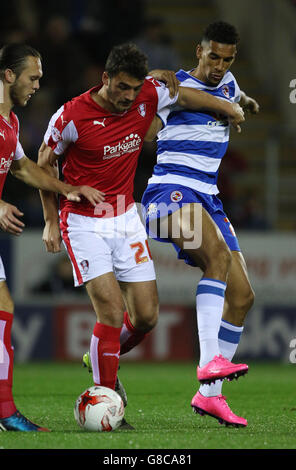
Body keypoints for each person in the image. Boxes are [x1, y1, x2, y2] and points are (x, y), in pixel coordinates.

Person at [37, 42, 244, 428]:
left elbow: (184, 93)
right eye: (121, 89)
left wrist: (228, 106)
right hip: (83, 222)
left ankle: (100, 355)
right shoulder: (71, 116)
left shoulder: (148, 93)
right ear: (106, 79)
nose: (128, 98)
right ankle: (106, 396)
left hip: (126, 217)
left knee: (146, 317)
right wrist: (51, 217)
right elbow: (44, 162)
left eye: (134, 90)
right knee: (112, 312)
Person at [141, 21, 259, 427]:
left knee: (243, 297)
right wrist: (154, 76)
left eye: (226, 59)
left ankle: (210, 397)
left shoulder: (228, 82)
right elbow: (151, 89)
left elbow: (234, 93)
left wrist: (246, 102)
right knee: (218, 260)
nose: (218, 65)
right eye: (212, 57)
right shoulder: (173, 87)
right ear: (198, 50)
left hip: (209, 199)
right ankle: (210, 362)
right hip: (170, 193)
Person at [0, 43, 104, 432]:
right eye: (32, 77)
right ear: (9, 75)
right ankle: (5, 412)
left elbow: (24, 169)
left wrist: (67, 189)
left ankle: (6, 411)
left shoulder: (9, 125)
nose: (37, 86)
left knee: (3, 310)